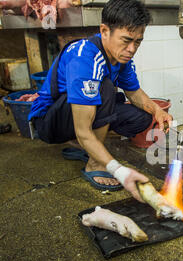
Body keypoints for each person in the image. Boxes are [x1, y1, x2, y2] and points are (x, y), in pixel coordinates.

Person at [28, 0, 172, 202]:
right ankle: (94, 163)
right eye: (126, 40)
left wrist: (158, 111)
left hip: (73, 114)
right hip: (48, 121)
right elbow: (83, 130)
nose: (132, 49)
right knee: (104, 88)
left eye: (138, 41)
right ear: (105, 31)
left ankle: (84, 148)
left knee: (141, 117)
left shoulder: (120, 57)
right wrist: (120, 171)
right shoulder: (85, 60)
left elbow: (134, 93)